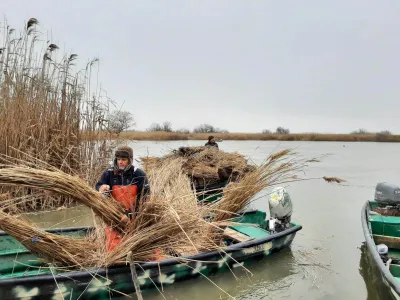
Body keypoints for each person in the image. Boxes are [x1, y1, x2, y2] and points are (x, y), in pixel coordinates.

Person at [96, 145, 150, 223]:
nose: (120, 162)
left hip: (135, 217)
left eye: (123, 159)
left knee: (133, 234)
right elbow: (98, 186)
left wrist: (129, 214)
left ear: (130, 160)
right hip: (113, 215)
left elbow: (144, 199)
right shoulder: (108, 173)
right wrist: (101, 187)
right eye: (118, 159)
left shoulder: (140, 174)